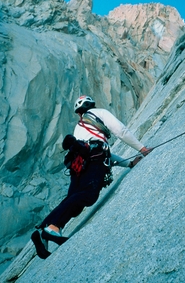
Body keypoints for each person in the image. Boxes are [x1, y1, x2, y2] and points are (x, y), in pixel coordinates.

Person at [31, 95, 152, 259]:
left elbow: (103, 153)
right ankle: (52, 229)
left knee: (73, 199)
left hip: (77, 166)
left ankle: (44, 230)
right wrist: (142, 149)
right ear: (91, 106)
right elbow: (120, 132)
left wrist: (128, 164)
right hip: (93, 162)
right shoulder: (99, 113)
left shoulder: (78, 127)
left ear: (79, 113)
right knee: (88, 196)